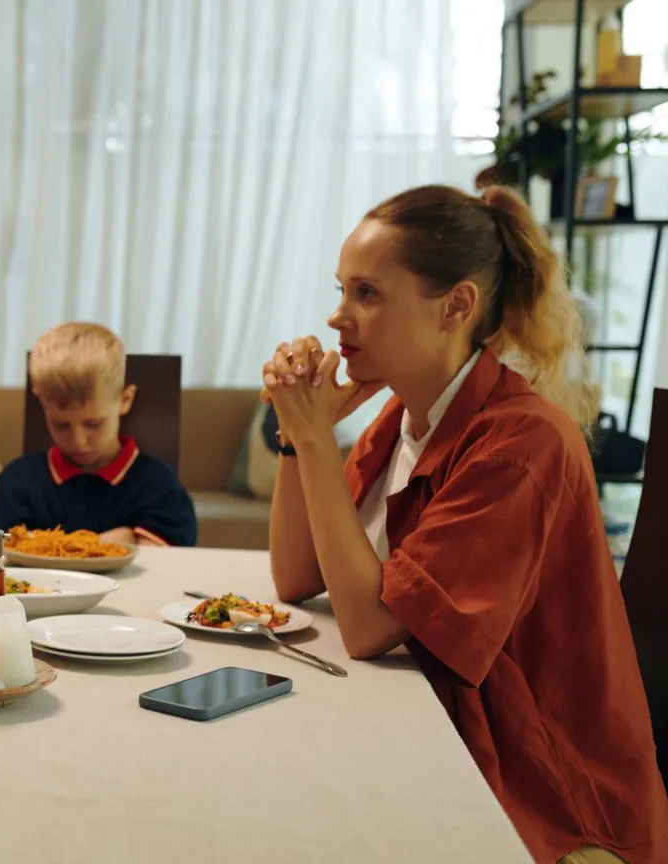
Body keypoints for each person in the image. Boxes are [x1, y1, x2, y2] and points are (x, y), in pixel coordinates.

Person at [263, 184, 666, 863]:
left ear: (456, 306)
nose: (337, 318)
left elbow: (364, 627)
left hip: (540, 788)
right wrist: (296, 434)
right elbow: (297, 577)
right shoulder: (401, 420)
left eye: (367, 293)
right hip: (435, 728)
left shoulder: (521, 446)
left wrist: (311, 442)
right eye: (341, 290)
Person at [0, 322, 197, 546]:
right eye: (61, 425)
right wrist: (111, 541)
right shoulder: (19, 480)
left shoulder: (158, 483)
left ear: (125, 400)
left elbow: (173, 557)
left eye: (94, 424)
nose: (78, 441)